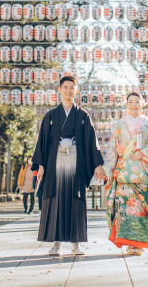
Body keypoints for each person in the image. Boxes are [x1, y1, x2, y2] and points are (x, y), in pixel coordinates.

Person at [32, 74, 105, 255]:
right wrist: (40, 165)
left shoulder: (82, 115)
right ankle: (56, 243)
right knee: (55, 200)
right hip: (54, 162)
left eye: (72, 87)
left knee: (75, 200)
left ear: (77, 90)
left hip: (75, 163)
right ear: (59, 89)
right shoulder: (50, 116)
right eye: (65, 87)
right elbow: (42, 142)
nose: (69, 90)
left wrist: (97, 165)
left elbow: (91, 141)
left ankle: (76, 243)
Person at [101, 91, 148, 255]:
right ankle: (129, 243)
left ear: (142, 103)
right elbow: (112, 149)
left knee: (142, 210)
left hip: (142, 173)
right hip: (123, 173)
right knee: (125, 210)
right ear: (126, 104)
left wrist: (143, 153)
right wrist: (108, 169)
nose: (134, 104)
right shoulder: (119, 124)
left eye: (137, 101)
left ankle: (139, 243)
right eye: (131, 102)